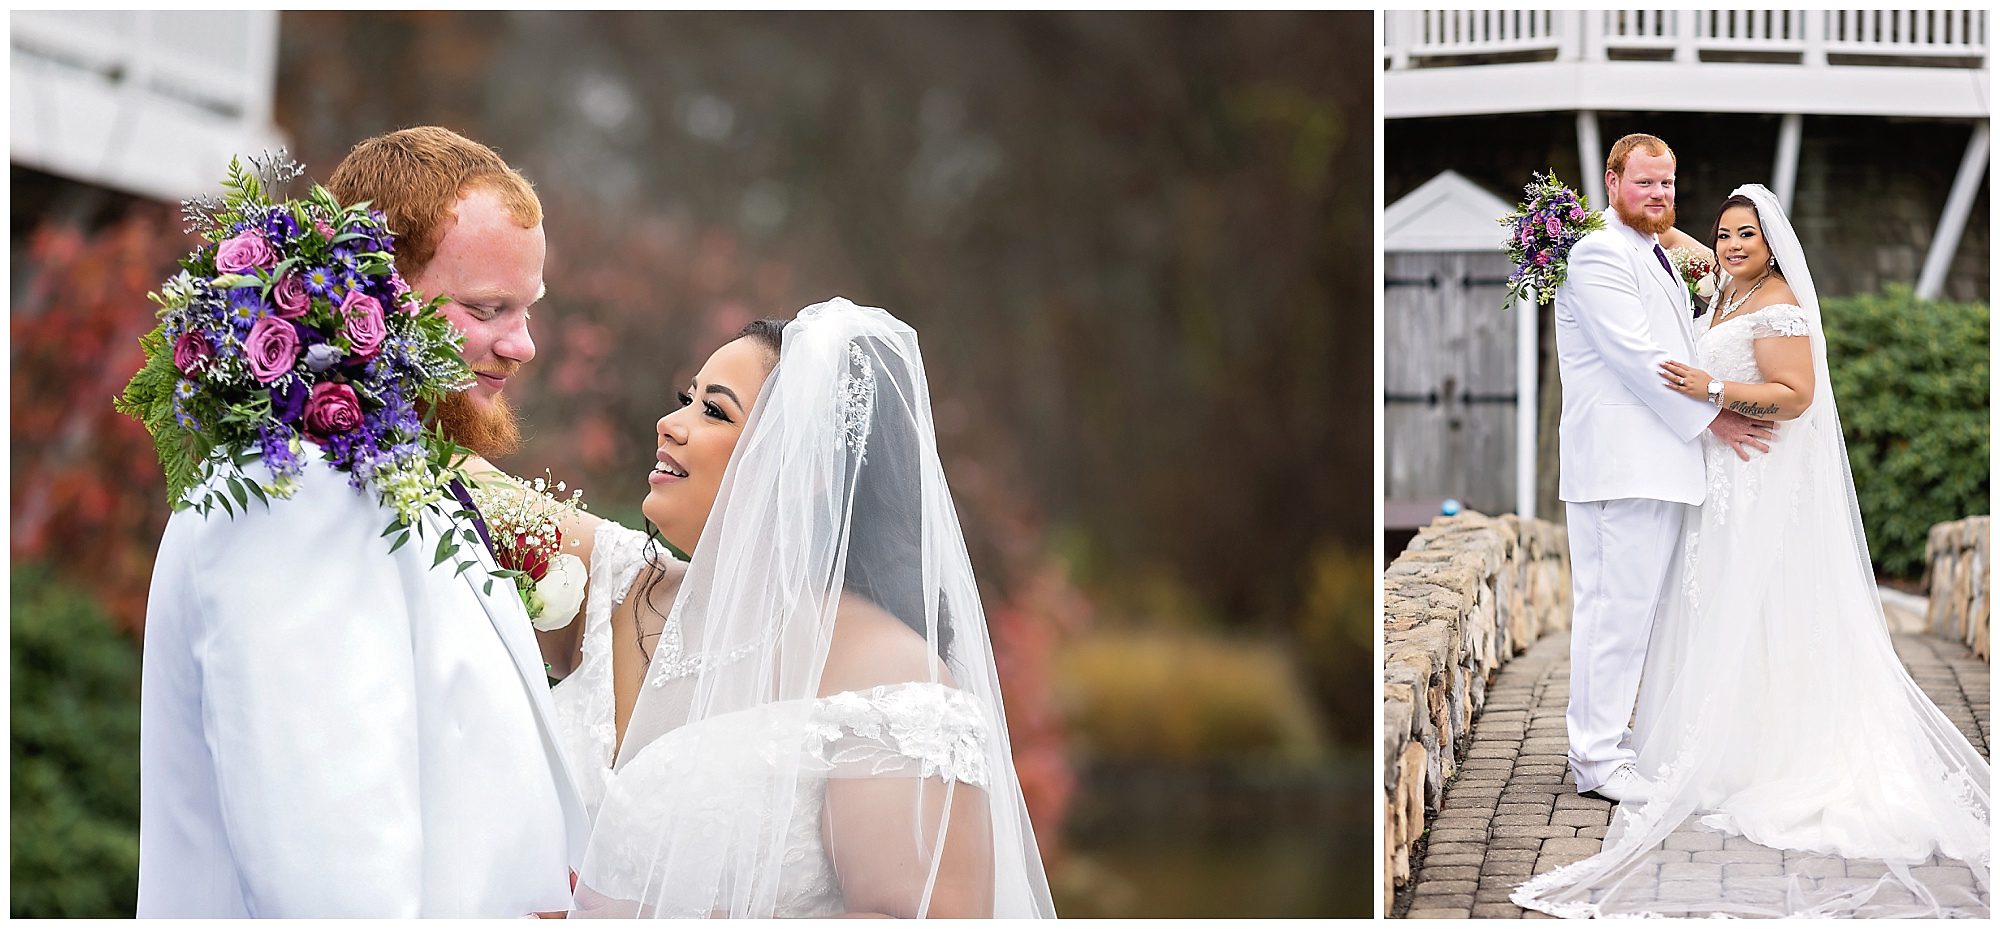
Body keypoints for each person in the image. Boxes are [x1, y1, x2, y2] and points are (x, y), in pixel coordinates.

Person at [137, 127, 586, 917]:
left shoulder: (395, 483)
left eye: (527, 307)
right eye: (489, 309)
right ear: (375, 294)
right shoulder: (291, 494)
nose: (523, 345)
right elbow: (328, 879)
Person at [1514, 185, 1990, 918]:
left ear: (1773, 241)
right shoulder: (1723, 288)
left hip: (1759, 483)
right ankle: (1720, 741)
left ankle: (1773, 753)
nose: (1733, 245)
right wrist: (1573, 222)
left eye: (1747, 234)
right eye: (1725, 232)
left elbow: (1795, 395)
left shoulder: (1778, 304)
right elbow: (1668, 243)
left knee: (1767, 608)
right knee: (1717, 607)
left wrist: (1716, 389)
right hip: (1717, 489)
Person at [536, 298, 1054, 917]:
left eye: (713, 411)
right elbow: (440, 483)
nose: (670, 424)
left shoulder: (891, 674)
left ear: (800, 467)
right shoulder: (620, 589)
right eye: (685, 399)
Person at [1549, 133, 1774, 806]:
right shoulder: (1596, 255)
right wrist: (1717, 416)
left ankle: (1607, 745)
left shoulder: (1653, 253)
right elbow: (1639, 359)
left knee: (1630, 612)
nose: (1660, 195)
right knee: (1613, 613)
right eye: (1646, 183)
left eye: (1669, 184)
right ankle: (1596, 756)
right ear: (1613, 182)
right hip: (1623, 465)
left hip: (1654, 464)